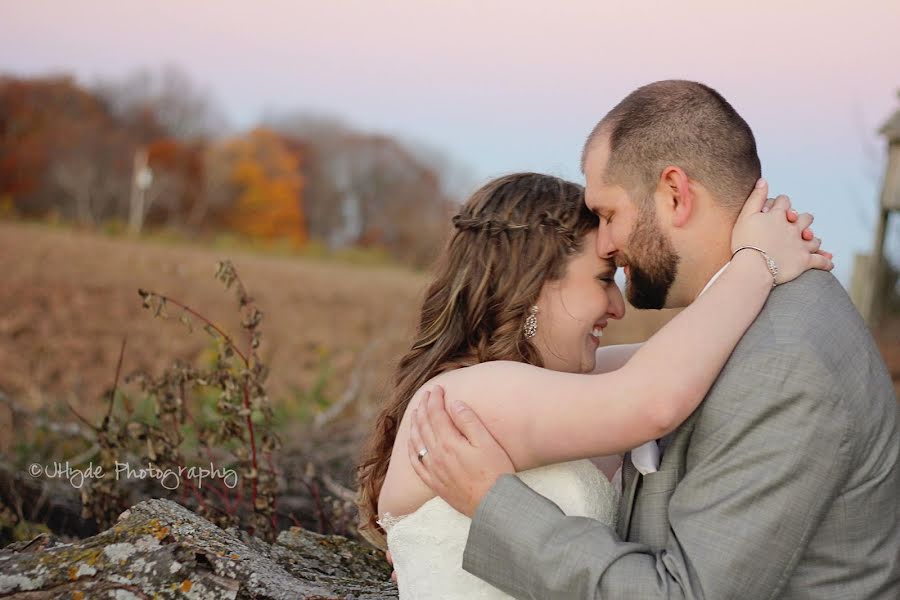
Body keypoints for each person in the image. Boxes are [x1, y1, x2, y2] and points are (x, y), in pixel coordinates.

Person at [409, 81, 899, 599]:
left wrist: (493, 510)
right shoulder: (737, 327)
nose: (603, 243)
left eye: (608, 214)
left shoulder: (782, 360)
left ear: (674, 194)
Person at [357, 168, 828, 596]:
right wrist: (756, 261)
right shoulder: (467, 396)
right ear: (536, 284)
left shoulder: (547, 386)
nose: (618, 306)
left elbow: (708, 354)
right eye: (604, 279)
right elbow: (653, 400)